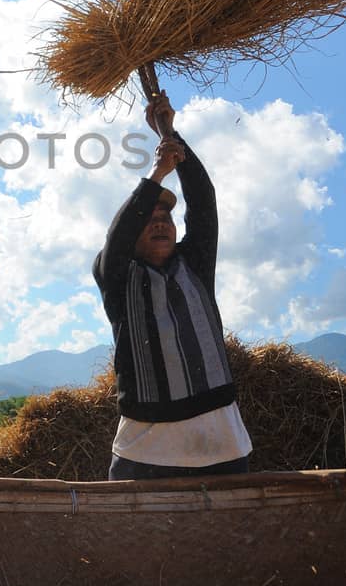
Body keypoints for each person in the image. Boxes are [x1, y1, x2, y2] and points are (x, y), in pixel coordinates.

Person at [93, 92, 252, 481]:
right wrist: (156, 174)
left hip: (221, 440)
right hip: (147, 445)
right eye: (149, 218)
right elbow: (117, 238)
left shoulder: (194, 263)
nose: (160, 222)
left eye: (167, 216)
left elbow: (202, 200)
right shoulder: (116, 275)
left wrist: (171, 134)